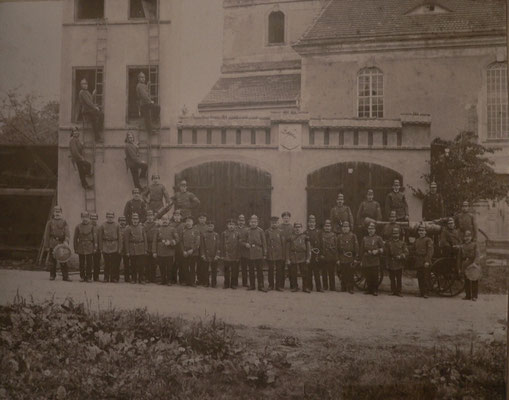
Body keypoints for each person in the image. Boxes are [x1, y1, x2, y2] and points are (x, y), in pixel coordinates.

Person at [43, 205, 71, 281]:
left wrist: (66, 241)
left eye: (59, 212)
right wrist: (47, 245)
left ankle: (65, 276)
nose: (57, 213)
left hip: (62, 244)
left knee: (63, 260)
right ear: (53, 213)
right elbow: (47, 234)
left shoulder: (64, 222)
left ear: (61, 213)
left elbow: (67, 233)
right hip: (53, 243)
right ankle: (52, 275)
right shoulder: (50, 222)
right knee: (52, 261)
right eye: (56, 212)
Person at [240, 215, 267, 292]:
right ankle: (252, 285)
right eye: (252, 222)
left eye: (255, 222)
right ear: (249, 222)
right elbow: (241, 241)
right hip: (250, 253)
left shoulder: (261, 231)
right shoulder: (246, 231)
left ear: (257, 223)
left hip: (258, 252)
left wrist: (264, 253)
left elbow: (264, 243)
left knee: (259, 270)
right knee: (251, 270)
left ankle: (261, 285)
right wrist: (245, 244)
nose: (253, 223)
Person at [152, 215, 179, 285]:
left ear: (169, 221)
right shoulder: (158, 229)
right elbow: (154, 241)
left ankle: (169, 281)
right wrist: (154, 251)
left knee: (169, 267)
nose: (165, 221)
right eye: (163, 219)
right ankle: (163, 280)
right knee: (161, 267)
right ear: (161, 221)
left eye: (166, 219)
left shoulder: (173, 229)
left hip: (169, 251)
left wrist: (170, 242)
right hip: (160, 251)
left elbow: (177, 239)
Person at [285, 222, 311, 293]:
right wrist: (288, 259)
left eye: (299, 227)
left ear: (301, 228)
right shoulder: (290, 237)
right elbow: (287, 249)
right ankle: (295, 287)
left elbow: (308, 249)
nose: (297, 228)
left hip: (303, 257)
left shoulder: (305, 237)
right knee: (293, 273)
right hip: (294, 256)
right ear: (294, 228)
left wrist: (308, 258)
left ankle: (305, 287)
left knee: (305, 272)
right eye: (296, 227)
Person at [360, 222, 384, 296]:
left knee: (374, 276)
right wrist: (361, 260)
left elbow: (383, 248)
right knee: (368, 275)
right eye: (369, 229)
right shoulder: (365, 238)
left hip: (374, 259)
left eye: (372, 229)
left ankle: (375, 290)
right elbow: (362, 250)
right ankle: (369, 289)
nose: (371, 230)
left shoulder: (378, 238)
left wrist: (377, 251)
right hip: (367, 259)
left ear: (375, 230)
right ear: (367, 230)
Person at [98, 211, 122, 283]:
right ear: (106, 217)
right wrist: (101, 248)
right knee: (106, 263)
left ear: (113, 217)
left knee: (114, 263)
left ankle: (113, 278)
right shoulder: (102, 225)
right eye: (108, 217)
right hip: (106, 245)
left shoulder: (117, 225)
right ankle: (106, 277)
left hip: (114, 245)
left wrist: (119, 248)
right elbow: (100, 238)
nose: (110, 218)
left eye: (111, 217)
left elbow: (120, 238)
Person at [123, 213, 147, 284]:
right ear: (131, 220)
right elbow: (126, 241)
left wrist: (145, 249)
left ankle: (141, 279)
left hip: (141, 247)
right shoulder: (128, 228)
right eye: (134, 219)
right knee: (133, 265)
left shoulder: (142, 227)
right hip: (132, 248)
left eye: (136, 219)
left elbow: (145, 239)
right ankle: (133, 279)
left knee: (141, 265)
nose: (135, 221)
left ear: (138, 220)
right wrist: (127, 251)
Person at [384, 227, 409, 297]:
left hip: (399, 263)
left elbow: (406, 252)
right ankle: (393, 291)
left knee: (399, 278)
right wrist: (387, 264)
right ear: (392, 234)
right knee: (392, 278)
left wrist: (401, 256)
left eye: (397, 233)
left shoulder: (402, 243)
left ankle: (398, 291)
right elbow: (387, 255)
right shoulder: (389, 243)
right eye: (394, 233)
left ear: (399, 234)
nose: (395, 235)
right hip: (391, 263)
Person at [73, 211, 96, 282]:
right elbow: (75, 238)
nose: (85, 219)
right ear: (81, 218)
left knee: (89, 262)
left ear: (88, 218)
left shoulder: (92, 226)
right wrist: (75, 248)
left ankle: (89, 276)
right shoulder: (78, 226)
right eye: (83, 217)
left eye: (86, 217)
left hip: (89, 246)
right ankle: (82, 276)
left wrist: (95, 247)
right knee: (81, 263)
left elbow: (95, 238)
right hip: (81, 246)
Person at [78, 78, 104, 142]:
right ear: (81, 85)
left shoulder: (87, 92)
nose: (85, 85)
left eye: (86, 83)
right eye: (83, 84)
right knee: (96, 117)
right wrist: (95, 107)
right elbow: (88, 102)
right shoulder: (82, 92)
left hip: (90, 110)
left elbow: (90, 100)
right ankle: (97, 137)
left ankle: (98, 129)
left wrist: (93, 94)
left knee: (101, 114)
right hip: (86, 111)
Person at [458, 230, 480, 301]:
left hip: (472, 263)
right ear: (464, 238)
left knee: (474, 279)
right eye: (465, 236)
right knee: (466, 280)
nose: (467, 238)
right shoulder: (462, 246)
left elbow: (477, 255)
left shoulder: (474, 245)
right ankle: (468, 295)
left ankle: (474, 296)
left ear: (471, 237)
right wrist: (459, 267)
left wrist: (475, 263)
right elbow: (459, 258)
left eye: (468, 236)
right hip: (465, 264)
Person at [337, 221, 359, 294]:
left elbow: (356, 248)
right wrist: (338, 259)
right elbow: (337, 249)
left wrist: (355, 258)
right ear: (342, 228)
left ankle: (350, 288)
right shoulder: (339, 236)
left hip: (350, 257)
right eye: (343, 227)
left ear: (349, 228)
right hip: (342, 257)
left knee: (350, 273)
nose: (345, 228)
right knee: (343, 273)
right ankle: (343, 287)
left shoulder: (353, 236)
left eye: (346, 227)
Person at [136, 71, 160, 136]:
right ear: (138, 78)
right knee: (156, 108)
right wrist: (150, 101)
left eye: (144, 77)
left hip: (146, 104)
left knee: (148, 118)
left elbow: (146, 92)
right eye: (141, 77)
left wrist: (148, 85)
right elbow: (144, 96)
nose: (143, 78)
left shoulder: (143, 85)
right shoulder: (139, 86)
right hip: (144, 104)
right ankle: (153, 124)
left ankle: (151, 128)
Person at [265, 216, 285, 291]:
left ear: (278, 223)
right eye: (273, 223)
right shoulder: (267, 231)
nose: (274, 224)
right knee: (271, 270)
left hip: (279, 254)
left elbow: (283, 244)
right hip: (270, 254)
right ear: (270, 223)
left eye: (276, 223)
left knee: (279, 270)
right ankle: (271, 285)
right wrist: (266, 253)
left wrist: (283, 255)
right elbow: (265, 243)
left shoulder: (281, 231)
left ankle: (278, 286)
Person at [414, 225, 434, 298]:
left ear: (425, 232)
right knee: (420, 277)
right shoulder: (417, 240)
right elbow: (413, 249)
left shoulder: (428, 240)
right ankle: (421, 292)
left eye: (423, 231)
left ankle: (426, 293)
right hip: (418, 260)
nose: (421, 232)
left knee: (426, 277)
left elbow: (430, 251)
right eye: (420, 231)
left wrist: (427, 261)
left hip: (425, 260)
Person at [180, 216, 200, 286]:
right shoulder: (183, 231)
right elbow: (181, 242)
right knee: (185, 267)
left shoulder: (196, 231)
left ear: (192, 222)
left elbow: (197, 242)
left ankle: (192, 281)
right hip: (185, 252)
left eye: (190, 221)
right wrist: (183, 251)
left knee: (192, 267)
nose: (188, 223)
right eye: (187, 221)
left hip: (193, 252)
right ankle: (186, 281)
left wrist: (192, 250)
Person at [200, 221, 221, 287]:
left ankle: (214, 283)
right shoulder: (204, 234)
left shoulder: (216, 235)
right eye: (209, 226)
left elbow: (218, 246)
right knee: (205, 269)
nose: (210, 227)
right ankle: (206, 282)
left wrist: (217, 255)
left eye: (211, 226)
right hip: (206, 254)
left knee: (214, 270)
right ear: (207, 227)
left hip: (214, 255)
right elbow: (202, 246)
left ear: (213, 227)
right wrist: (203, 254)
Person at [221, 218, 240, 289]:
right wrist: (222, 255)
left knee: (234, 270)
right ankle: (226, 283)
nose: (231, 226)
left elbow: (238, 246)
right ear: (227, 225)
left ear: (235, 226)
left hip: (235, 254)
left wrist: (238, 256)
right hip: (226, 255)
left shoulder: (237, 233)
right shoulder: (224, 233)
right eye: (229, 224)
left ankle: (233, 284)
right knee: (226, 270)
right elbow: (222, 245)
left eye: (232, 225)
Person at [305, 215, 322, 292]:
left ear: (315, 223)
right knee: (309, 272)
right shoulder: (305, 232)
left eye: (313, 222)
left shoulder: (319, 232)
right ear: (308, 223)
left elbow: (321, 243)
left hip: (316, 254)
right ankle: (309, 287)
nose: (311, 224)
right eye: (310, 222)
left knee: (317, 272)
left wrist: (320, 253)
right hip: (308, 254)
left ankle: (319, 287)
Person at [319, 220, 338, 291]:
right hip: (323, 256)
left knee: (331, 272)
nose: (327, 227)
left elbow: (336, 246)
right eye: (326, 226)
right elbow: (319, 245)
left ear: (331, 227)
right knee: (324, 272)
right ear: (324, 227)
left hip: (331, 256)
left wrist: (335, 256)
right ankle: (325, 286)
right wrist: (320, 254)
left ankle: (332, 286)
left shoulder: (334, 235)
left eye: (328, 226)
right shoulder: (321, 235)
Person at [170, 210, 185, 284]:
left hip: (181, 246)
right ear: (173, 216)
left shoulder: (183, 225)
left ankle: (182, 279)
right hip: (173, 245)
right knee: (173, 262)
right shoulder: (170, 224)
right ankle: (173, 279)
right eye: (175, 215)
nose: (177, 216)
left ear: (181, 216)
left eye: (178, 215)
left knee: (182, 262)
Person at [143, 210, 158, 282]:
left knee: (154, 262)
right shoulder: (144, 225)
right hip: (147, 244)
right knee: (146, 262)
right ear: (146, 217)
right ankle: (147, 277)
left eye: (151, 216)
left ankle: (153, 277)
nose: (150, 217)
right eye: (148, 216)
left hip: (154, 244)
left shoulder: (156, 224)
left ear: (153, 216)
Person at [236, 214, 249, 288]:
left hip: (244, 251)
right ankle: (235, 282)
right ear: (237, 221)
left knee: (244, 268)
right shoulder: (234, 229)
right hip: (236, 251)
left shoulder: (247, 229)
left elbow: (248, 239)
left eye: (242, 220)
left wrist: (244, 243)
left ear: (244, 221)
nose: (241, 222)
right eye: (240, 220)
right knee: (235, 268)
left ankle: (245, 283)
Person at [118, 216, 131, 282]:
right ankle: (116, 277)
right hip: (119, 248)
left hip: (126, 249)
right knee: (117, 263)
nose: (122, 222)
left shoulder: (128, 228)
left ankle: (127, 278)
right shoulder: (117, 228)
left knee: (126, 264)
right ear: (119, 221)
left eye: (124, 220)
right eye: (121, 220)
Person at [89, 213, 101, 282]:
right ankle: (89, 276)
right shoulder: (88, 227)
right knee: (89, 263)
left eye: (95, 218)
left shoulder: (99, 227)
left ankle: (96, 277)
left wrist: (99, 248)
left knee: (97, 263)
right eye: (92, 218)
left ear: (97, 219)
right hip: (90, 247)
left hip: (98, 248)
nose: (93, 220)